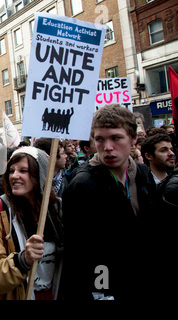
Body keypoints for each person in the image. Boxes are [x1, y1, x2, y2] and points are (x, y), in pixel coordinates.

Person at [62, 104, 157, 300]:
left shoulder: (143, 173)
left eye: (115, 138)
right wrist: (101, 292)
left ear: (133, 138)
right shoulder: (82, 185)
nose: (107, 147)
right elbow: (80, 252)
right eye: (100, 140)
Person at [0, 146, 64, 300]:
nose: (14, 176)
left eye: (23, 171)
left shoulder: (58, 209)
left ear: (40, 174)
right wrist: (23, 260)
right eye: (11, 171)